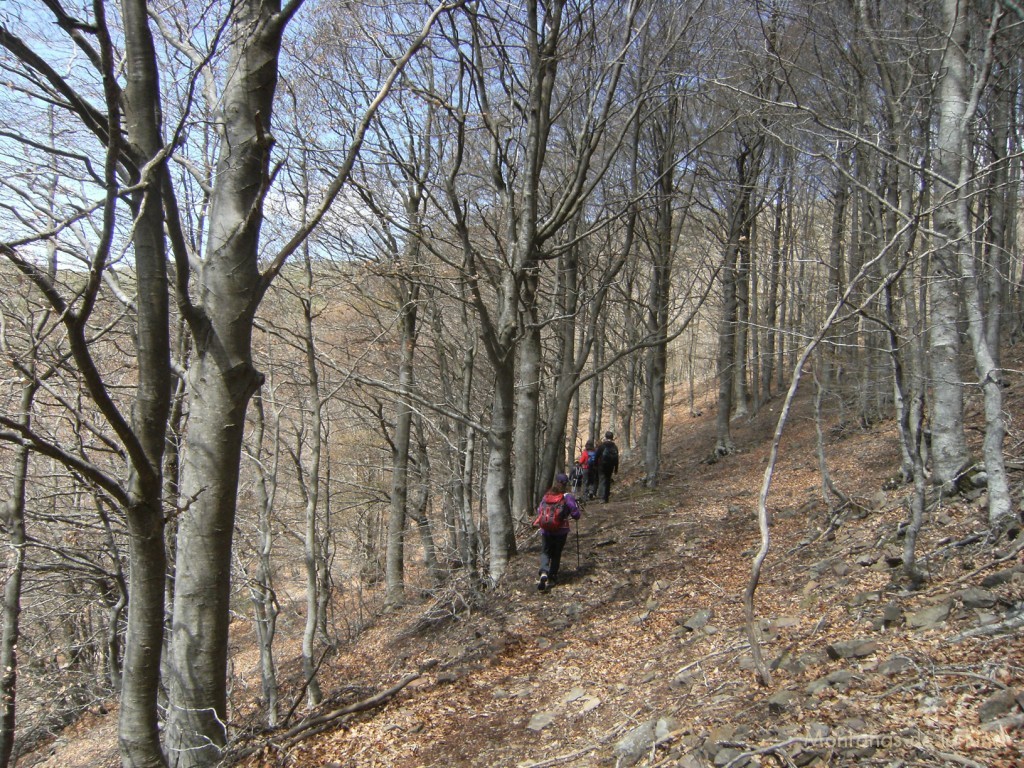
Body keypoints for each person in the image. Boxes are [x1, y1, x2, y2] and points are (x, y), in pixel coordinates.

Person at [535, 472, 581, 591]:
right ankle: (552, 576)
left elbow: (539, 509)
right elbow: (575, 513)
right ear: (566, 484)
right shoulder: (567, 496)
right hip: (561, 530)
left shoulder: (547, 495)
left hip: (546, 530)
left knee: (545, 551)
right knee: (556, 553)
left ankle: (544, 571)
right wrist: (575, 515)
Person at [594, 430, 619, 503]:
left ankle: (601, 497)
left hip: (602, 466)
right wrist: (616, 468)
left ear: (605, 437)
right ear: (612, 437)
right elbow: (616, 458)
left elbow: (596, 456)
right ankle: (606, 498)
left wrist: (595, 465)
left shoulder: (602, 446)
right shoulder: (615, 447)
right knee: (608, 481)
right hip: (610, 466)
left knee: (602, 480)